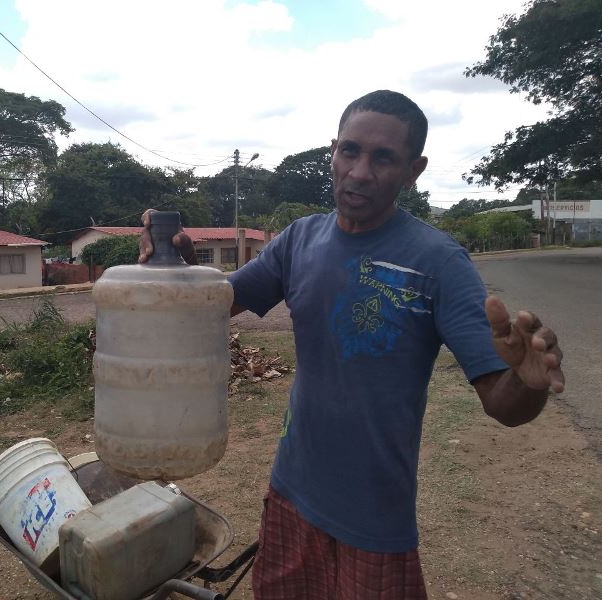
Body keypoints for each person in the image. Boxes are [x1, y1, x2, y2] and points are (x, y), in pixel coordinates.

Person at [139, 90, 565, 599]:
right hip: (291, 490)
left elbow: (503, 403)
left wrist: (527, 381)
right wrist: (176, 263)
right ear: (333, 153)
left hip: (375, 517)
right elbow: (212, 306)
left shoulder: (439, 262)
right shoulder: (298, 241)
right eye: (350, 151)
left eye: (383, 157)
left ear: (413, 171)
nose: (360, 172)